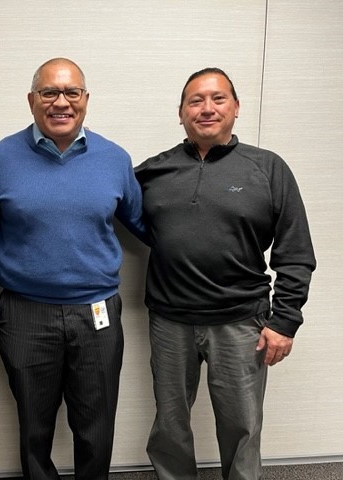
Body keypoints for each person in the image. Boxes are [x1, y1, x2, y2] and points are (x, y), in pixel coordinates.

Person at [0, 57, 147, 479]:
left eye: (72, 93)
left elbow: (146, 226)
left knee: (96, 425)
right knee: (34, 424)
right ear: (32, 100)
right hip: (25, 313)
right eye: (49, 93)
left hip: (97, 313)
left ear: (85, 100)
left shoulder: (115, 159)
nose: (61, 102)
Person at [135, 67, 316, 480]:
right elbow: (119, 214)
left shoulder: (268, 168)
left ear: (236, 108)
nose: (206, 108)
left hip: (241, 323)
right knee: (170, 423)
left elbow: (296, 250)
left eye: (218, 99)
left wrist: (285, 320)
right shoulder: (152, 172)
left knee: (241, 426)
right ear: (180, 113)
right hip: (170, 321)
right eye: (195, 100)